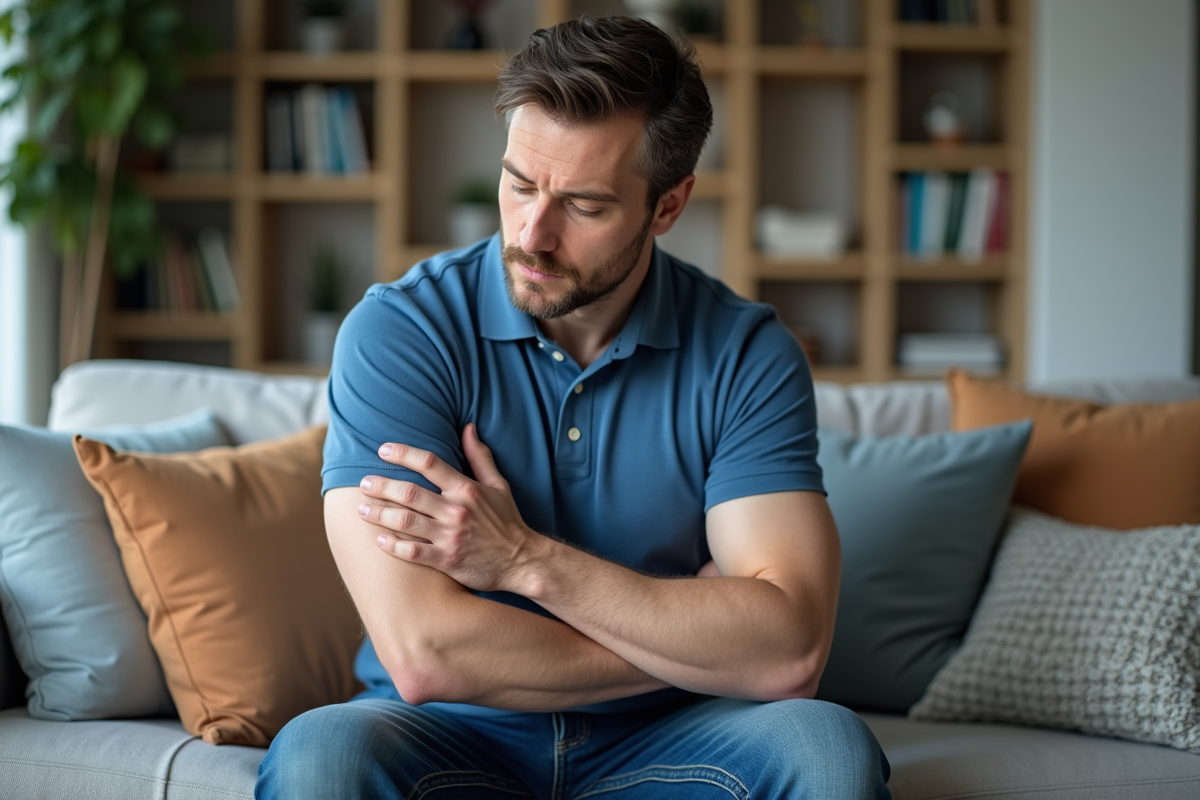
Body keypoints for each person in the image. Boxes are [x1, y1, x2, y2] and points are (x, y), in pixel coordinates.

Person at [256, 15, 890, 800]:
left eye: (584, 206)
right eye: (519, 183)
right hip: (451, 725)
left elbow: (790, 650)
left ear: (668, 205)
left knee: (826, 748)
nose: (533, 233)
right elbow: (425, 652)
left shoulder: (745, 353)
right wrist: (690, 636)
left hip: (679, 733)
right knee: (320, 753)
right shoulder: (402, 331)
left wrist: (524, 560)